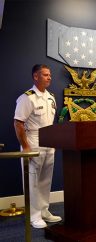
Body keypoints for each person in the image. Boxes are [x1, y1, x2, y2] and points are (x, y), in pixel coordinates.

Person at [14, 64, 62, 228]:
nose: (49, 77)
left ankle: (43, 210)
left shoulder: (51, 97)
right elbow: (18, 123)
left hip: (49, 142)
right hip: (33, 141)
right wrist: (25, 146)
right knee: (32, 180)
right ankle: (33, 215)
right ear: (36, 76)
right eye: (45, 75)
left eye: (50, 75)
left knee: (45, 180)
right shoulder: (27, 98)